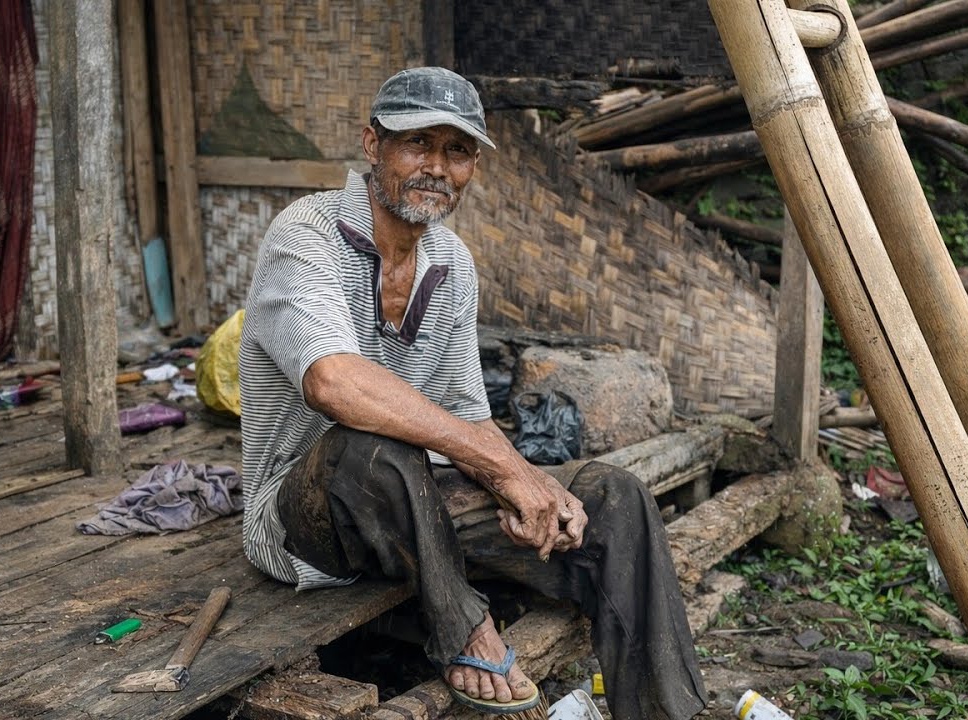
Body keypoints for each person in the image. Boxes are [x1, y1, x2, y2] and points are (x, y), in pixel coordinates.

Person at [239, 66, 705, 719]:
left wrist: (528, 484)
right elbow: (332, 381)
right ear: (372, 145)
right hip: (308, 524)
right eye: (417, 143)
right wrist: (502, 468)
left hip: (422, 512)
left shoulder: (452, 262)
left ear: (473, 167)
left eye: (456, 151)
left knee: (613, 498)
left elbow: (467, 414)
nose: (437, 167)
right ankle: (464, 629)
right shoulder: (306, 234)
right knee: (371, 446)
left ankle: (667, 712)